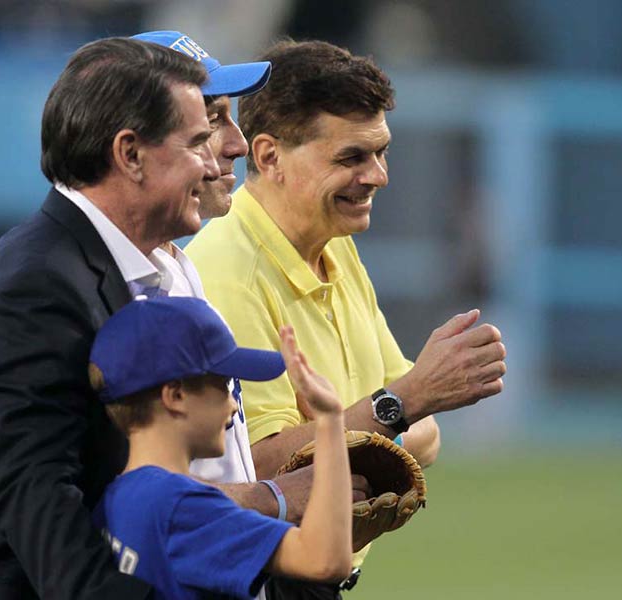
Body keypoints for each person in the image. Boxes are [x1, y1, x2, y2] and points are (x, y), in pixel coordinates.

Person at [0, 38, 218, 599]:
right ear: (131, 154)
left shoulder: (89, 269)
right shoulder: (38, 288)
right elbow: (39, 495)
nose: (213, 164)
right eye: (197, 143)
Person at [186, 38, 507, 582]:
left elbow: (424, 435)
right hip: (261, 578)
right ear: (268, 157)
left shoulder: (334, 244)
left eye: (381, 152)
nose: (378, 175)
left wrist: (379, 419)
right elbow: (261, 469)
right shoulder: (226, 274)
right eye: (351, 157)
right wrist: (398, 406)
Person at [131, 31, 359, 533]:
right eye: (211, 122)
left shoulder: (174, 266)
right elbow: (118, 494)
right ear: (135, 147)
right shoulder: (82, 288)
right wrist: (273, 500)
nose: (236, 144)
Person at [89, 296, 353, 599]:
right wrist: (330, 420)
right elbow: (324, 561)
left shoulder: (114, 500)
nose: (232, 405)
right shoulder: (182, 507)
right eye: (222, 385)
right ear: (175, 396)